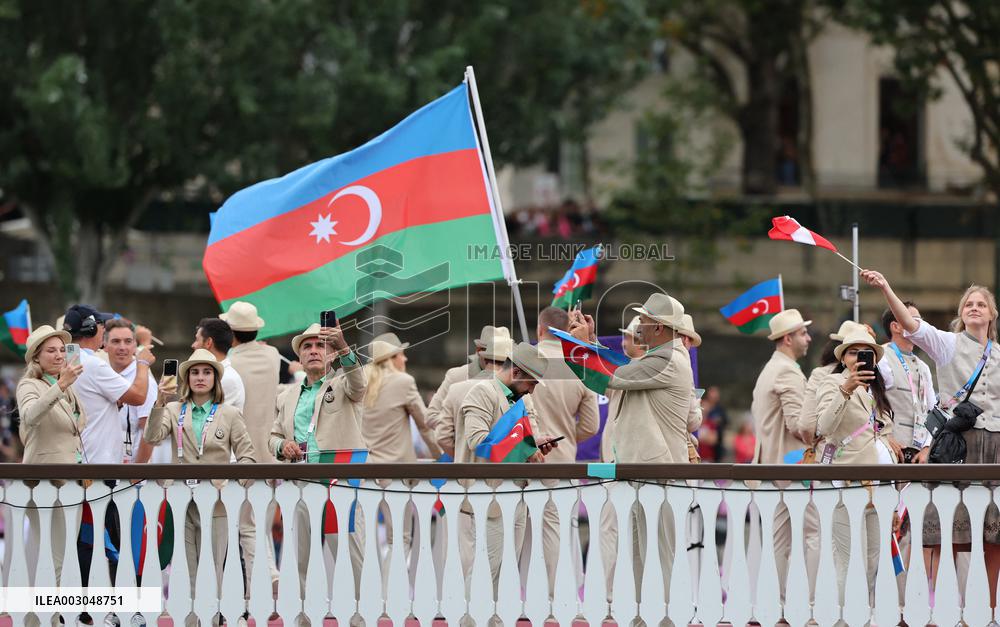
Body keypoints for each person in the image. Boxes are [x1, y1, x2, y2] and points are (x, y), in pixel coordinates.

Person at [863, 271, 1000, 611]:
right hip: (959, 446)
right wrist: (886, 287)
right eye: (968, 304)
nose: (975, 308)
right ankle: (946, 608)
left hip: (996, 447)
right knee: (949, 531)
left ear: (992, 314)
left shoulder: (999, 353)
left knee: (994, 536)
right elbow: (911, 324)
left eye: (981, 304)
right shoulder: (947, 344)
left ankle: (990, 608)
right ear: (961, 313)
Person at [144, 349, 255, 625]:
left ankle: (214, 620)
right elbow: (152, 437)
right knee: (185, 570)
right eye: (194, 372)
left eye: (207, 372)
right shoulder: (173, 409)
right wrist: (160, 400)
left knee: (214, 569)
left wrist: (232, 489)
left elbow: (248, 457)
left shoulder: (229, 413)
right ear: (187, 378)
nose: (200, 377)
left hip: (217, 503)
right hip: (181, 501)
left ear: (215, 379)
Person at [269, 321, 367, 601]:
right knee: (298, 557)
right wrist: (282, 446)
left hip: (338, 480)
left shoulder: (344, 384)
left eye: (320, 346)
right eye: (307, 347)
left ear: (332, 354)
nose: (313, 351)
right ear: (299, 358)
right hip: (299, 480)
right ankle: (301, 615)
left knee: (349, 553)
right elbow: (273, 436)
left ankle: (360, 614)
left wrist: (344, 346)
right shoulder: (286, 395)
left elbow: (359, 384)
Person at [458, 342, 556, 619]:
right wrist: (527, 448)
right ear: (515, 372)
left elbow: (522, 441)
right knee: (486, 571)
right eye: (531, 383)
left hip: (516, 496)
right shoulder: (481, 392)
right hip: (489, 497)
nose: (533, 390)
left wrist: (537, 444)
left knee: (505, 573)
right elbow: (478, 442)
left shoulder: (523, 399)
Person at [814, 327, 896, 611]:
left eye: (866, 353)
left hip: (879, 483)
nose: (859, 357)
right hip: (847, 480)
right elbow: (823, 427)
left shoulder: (876, 388)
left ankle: (862, 614)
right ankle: (842, 618)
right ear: (843, 358)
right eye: (853, 352)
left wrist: (889, 442)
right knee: (848, 560)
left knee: (873, 559)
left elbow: (884, 427)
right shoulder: (832, 382)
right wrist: (845, 389)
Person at [532, 307, 600, 599]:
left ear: (540, 330)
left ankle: (515, 596)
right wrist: (565, 438)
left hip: (522, 458)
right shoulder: (579, 366)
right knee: (555, 532)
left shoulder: (522, 359)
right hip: (561, 461)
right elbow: (591, 425)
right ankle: (551, 596)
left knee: (518, 529)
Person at [750, 308, 811, 616]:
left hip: (773, 467)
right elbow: (799, 426)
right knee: (814, 534)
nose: (808, 338)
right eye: (803, 333)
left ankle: (778, 604)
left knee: (779, 541)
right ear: (788, 339)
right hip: (792, 467)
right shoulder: (786, 371)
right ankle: (811, 604)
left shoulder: (771, 369)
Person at [64, 304, 155, 464]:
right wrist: (142, 363)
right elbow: (139, 397)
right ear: (91, 328)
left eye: (128, 341)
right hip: (97, 462)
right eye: (102, 326)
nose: (103, 330)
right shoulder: (93, 364)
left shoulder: (67, 360)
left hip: (81, 457)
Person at [361, 332, 439, 461]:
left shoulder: (362, 384)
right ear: (392, 358)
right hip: (397, 467)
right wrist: (441, 456)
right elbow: (425, 425)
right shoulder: (404, 381)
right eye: (402, 354)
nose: (405, 359)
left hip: (366, 465)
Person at [435, 332, 513, 460]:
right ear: (510, 365)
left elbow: (442, 436)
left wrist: (461, 455)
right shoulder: (518, 393)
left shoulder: (455, 389)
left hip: (464, 470)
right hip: (502, 469)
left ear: (484, 359)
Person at [222, 301, 282, 464]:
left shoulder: (228, 364)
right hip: (270, 450)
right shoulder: (273, 354)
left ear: (231, 333)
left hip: (240, 452)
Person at [878, 303, 935, 462]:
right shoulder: (881, 358)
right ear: (895, 326)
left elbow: (933, 412)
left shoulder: (924, 367)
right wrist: (884, 436)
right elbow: (867, 406)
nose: (919, 325)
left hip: (919, 456)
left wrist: (927, 447)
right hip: (888, 453)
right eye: (914, 319)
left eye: (921, 321)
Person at [426, 325, 510, 431]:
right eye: (494, 357)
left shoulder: (514, 380)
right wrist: (464, 426)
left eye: (504, 359)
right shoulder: (456, 376)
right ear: (479, 351)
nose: (500, 364)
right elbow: (432, 416)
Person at [796, 320, 865, 444]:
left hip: (833, 450)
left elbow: (807, 425)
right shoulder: (876, 375)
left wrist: (812, 445)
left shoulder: (821, 374)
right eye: (853, 351)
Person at [103, 318, 161, 464]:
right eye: (116, 341)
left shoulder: (144, 380)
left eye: (128, 341)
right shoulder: (103, 374)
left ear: (135, 345)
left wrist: (137, 471)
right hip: (105, 464)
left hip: (131, 468)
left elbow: (148, 432)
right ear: (104, 345)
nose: (122, 347)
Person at [192, 318, 246, 411]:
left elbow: (204, 416)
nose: (193, 345)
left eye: (197, 340)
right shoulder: (222, 374)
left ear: (208, 342)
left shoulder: (226, 378)